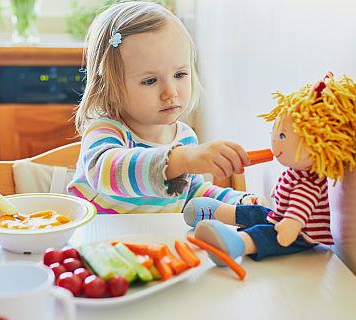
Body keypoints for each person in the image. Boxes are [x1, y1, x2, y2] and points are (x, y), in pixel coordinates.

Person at [67, 1, 258, 214]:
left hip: (153, 243)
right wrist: (184, 159)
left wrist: (237, 201)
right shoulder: (105, 131)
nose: (171, 92)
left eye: (179, 75)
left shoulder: (184, 137)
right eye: (150, 81)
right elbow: (107, 172)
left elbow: (192, 194)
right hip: (98, 242)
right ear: (110, 88)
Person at [183, 73, 356, 262]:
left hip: (298, 234)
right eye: (275, 132)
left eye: (282, 137)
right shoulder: (297, 172)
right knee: (258, 212)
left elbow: (299, 211)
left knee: (266, 233)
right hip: (279, 217)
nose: (275, 142)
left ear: (317, 143)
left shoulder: (310, 183)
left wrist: (290, 225)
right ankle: (216, 211)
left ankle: (236, 243)